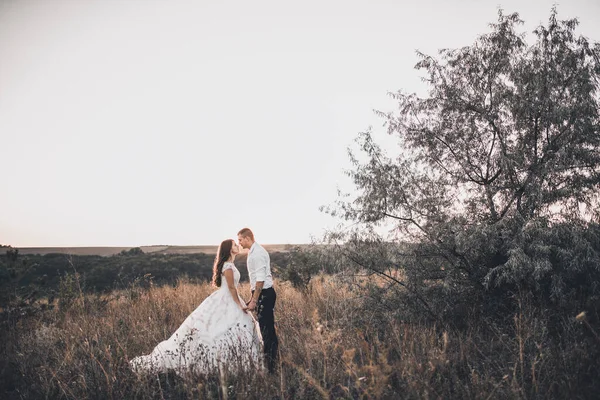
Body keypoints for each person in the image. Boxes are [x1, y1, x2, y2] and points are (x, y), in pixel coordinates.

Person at [129, 239, 262, 375]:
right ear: (229, 249)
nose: (238, 246)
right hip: (227, 298)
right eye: (235, 244)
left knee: (233, 327)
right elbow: (232, 288)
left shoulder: (229, 265)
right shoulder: (228, 266)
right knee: (224, 328)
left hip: (228, 297)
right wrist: (241, 305)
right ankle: (227, 363)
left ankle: (237, 362)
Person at [237, 228, 279, 373]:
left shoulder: (258, 253)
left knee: (267, 330)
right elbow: (255, 280)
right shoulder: (252, 252)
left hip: (266, 294)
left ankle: (271, 367)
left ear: (247, 238)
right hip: (261, 294)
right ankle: (271, 362)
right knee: (265, 328)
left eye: (240, 240)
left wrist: (255, 300)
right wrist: (252, 297)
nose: (239, 243)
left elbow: (260, 280)